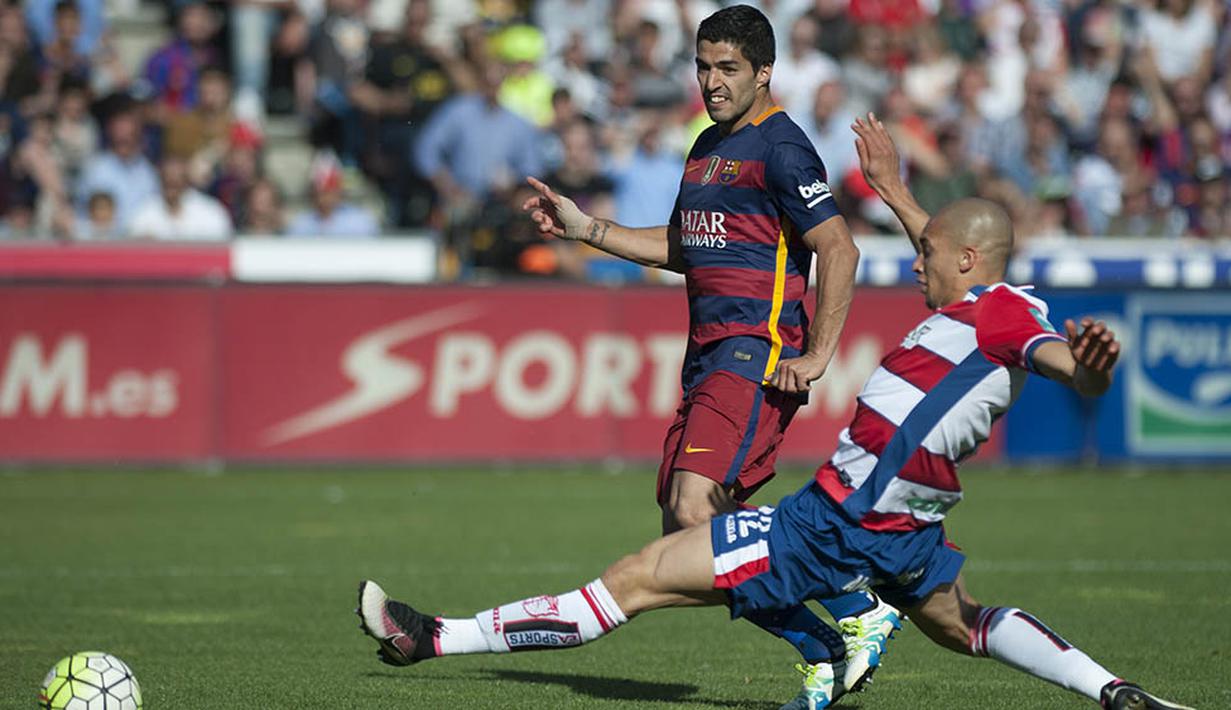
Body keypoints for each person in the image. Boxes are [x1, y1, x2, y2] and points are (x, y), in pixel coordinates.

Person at [356, 115, 1193, 710]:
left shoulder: (1007, 313)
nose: (913, 267)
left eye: (927, 256)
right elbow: (939, 246)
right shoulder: (971, 297)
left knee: (635, 579)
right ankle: (1111, 690)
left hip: (827, 526)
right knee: (964, 625)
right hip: (903, 537)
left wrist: (1082, 370)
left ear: (968, 261)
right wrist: (897, 190)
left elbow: (1047, 356)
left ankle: (436, 638)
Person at [520, 5, 898, 701]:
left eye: (727, 68)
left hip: (755, 353)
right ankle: (823, 642)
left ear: (763, 72)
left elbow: (837, 246)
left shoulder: (781, 147)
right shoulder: (705, 146)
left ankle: (853, 607)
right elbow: (685, 246)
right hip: (706, 358)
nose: (711, 81)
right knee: (687, 537)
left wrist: (816, 356)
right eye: (702, 66)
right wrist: (589, 228)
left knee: (696, 517)